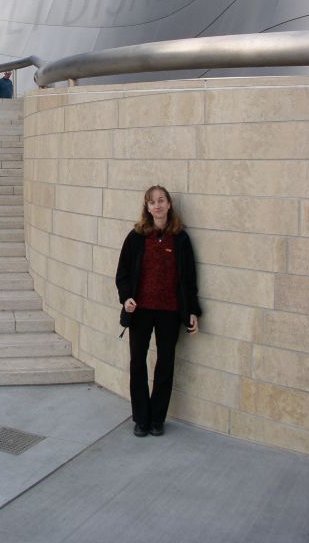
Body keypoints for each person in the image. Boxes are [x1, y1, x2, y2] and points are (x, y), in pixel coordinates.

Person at [115, 185, 201, 437]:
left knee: (165, 364)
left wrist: (192, 311)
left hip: (169, 312)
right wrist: (126, 298)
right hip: (140, 311)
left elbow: (189, 279)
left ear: (169, 204)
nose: (157, 206)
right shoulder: (136, 236)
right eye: (152, 202)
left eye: (161, 200)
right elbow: (122, 274)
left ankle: (157, 419)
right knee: (138, 363)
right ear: (147, 208)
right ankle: (141, 419)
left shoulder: (181, 238)